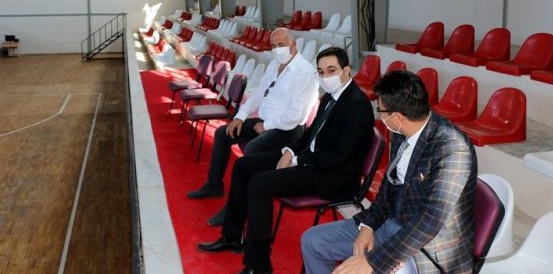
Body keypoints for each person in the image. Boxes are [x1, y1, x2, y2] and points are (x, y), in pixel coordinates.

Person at [198, 47, 375, 274]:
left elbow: (339, 156)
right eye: (321, 72)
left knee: (259, 185)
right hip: (312, 160)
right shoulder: (331, 96)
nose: (326, 76)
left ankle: (258, 266)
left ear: (347, 70)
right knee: (243, 166)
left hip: (331, 175)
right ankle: (232, 237)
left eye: (331, 70)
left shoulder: (357, 105)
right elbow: (310, 133)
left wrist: (297, 160)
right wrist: (290, 151)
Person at [301, 70, 477, 274]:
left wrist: (373, 261)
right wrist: (368, 226)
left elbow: (431, 220)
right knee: (313, 241)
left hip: (427, 248)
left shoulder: (453, 148)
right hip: (391, 224)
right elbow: (388, 186)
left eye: (381, 110)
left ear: (398, 117)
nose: (379, 115)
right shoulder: (403, 131)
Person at [187, 28, 319, 200]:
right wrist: (240, 116)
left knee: (252, 149)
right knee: (223, 133)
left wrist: (265, 126)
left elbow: (296, 117)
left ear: (293, 44)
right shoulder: (274, 65)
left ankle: (238, 204)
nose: (277, 49)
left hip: (287, 130)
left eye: (281, 44)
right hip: (264, 121)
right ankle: (214, 186)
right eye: (273, 46)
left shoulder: (306, 73)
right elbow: (258, 94)